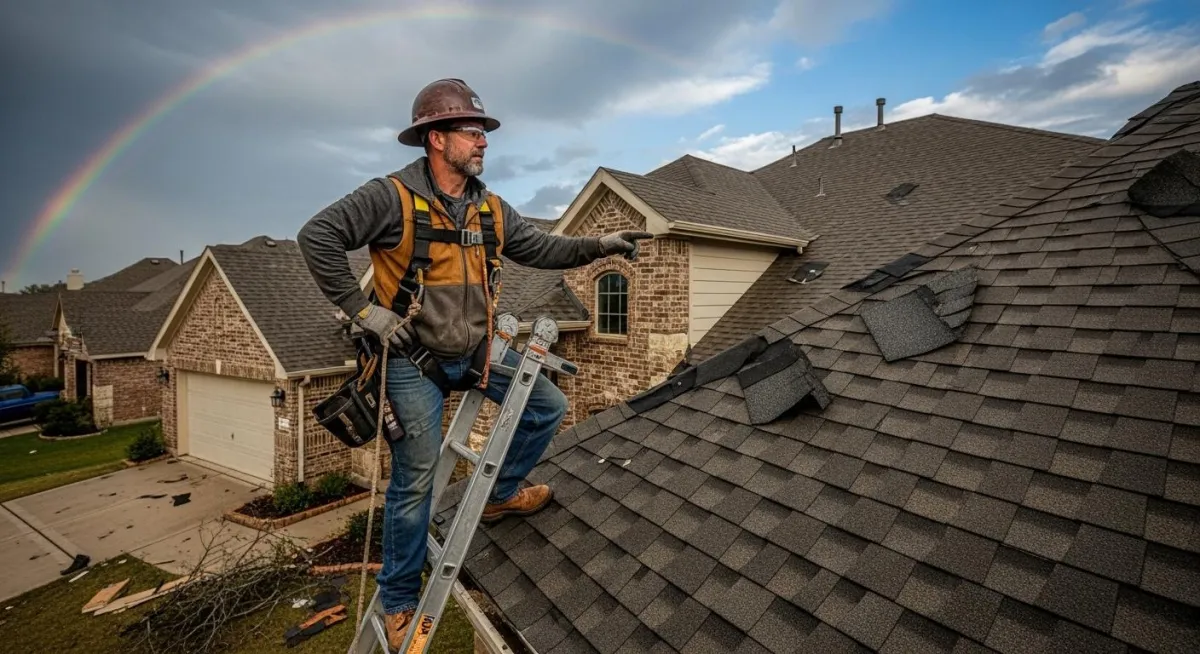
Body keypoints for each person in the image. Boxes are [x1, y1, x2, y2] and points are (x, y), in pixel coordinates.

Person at [297, 78, 652, 648]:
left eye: (482, 131)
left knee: (546, 406)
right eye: (470, 130)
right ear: (436, 139)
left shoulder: (489, 207)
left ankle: (500, 494)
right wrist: (364, 311)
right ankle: (399, 599)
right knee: (413, 484)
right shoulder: (390, 198)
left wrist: (601, 244)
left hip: (479, 352)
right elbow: (316, 236)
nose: (482, 140)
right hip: (415, 361)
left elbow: (539, 248)